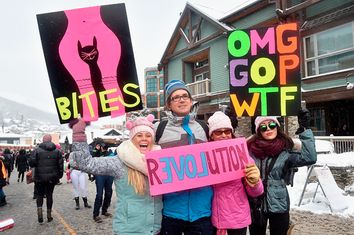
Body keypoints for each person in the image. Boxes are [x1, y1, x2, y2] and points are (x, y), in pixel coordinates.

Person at [69, 115, 162, 234]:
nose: (144, 139)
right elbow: (87, 163)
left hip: (155, 229)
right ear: (132, 139)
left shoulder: (161, 161)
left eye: (148, 135)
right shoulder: (119, 161)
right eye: (139, 135)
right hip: (128, 231)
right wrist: (79, 135)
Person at [155, 79, 214, 235]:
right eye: (175, 97)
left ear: (191, 100)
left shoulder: (204, 127)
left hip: (202, 210)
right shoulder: (158, 129)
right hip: (172, 210)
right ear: (169, 104)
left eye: (185, 96)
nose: (181, 99)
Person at [247, 108, 317, 235]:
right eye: (263, 127)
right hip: (256, 204)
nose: (268, 129)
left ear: (277, 127)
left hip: (279, 203)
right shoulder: (250, 150)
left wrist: (305, 129)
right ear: (258, 131)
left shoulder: (286, 151)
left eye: (272, 125)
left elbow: (310, 158)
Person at [208, 111, 264, 235]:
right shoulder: (204, 157)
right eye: (218, 132)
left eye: (227, 131)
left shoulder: (241, 155)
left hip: (237, 217)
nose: (224, 135)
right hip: (212, 217)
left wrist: (255, 182)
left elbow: (257, 192)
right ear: (211, 135)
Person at [29, 134, 64, 224]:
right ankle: (49, 216)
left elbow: (32, 163)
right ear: (51, 140)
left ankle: (40, 214)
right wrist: (59, 176)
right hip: (52, 178)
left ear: (43, 140)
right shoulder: (57, 151)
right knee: (49, 195)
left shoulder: (36, 150)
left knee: (39, 195)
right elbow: (60, 166)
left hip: (39, 177)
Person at [91, 142, 114, 223]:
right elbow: (92, 159)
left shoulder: (110, 153)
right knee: (99, 194)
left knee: (109, 193)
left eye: (104, 146)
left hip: (109, 175)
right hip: (100, 175)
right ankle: (96, 214)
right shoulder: (96, 153)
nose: (103, 147)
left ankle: (104, 210)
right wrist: (96, 150)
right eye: (101, 146)